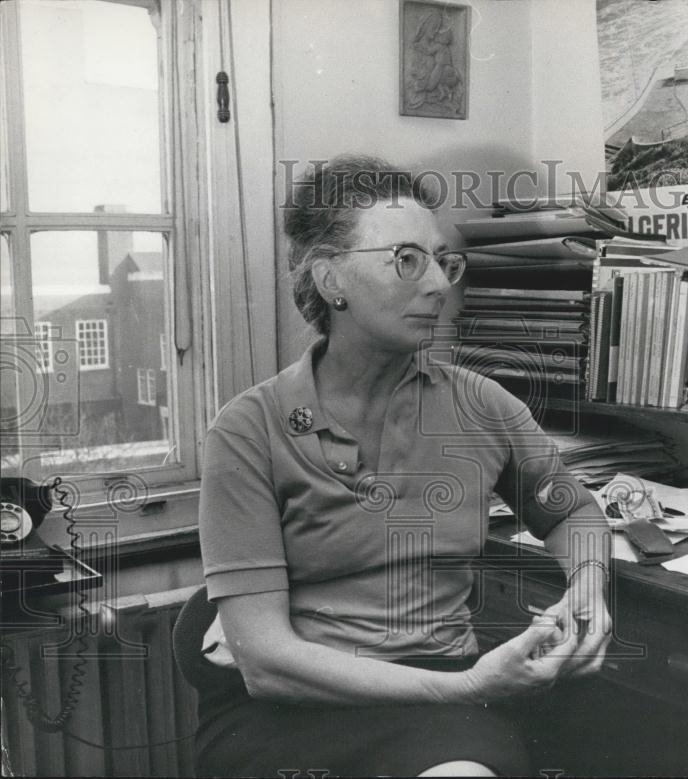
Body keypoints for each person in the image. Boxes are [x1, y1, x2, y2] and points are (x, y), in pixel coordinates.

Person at [195, 154, 612, 777]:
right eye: (407, 259)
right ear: (330, 279)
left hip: (440, 694)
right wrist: (469, 688)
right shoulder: (248, 429)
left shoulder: (482, 405)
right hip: (295, 709)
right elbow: (265, 661)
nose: (440, 285)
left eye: (444, 261)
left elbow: (571, 511)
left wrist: (589, 585)